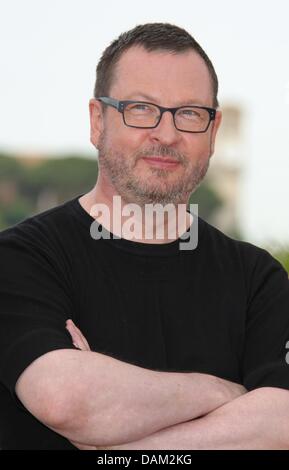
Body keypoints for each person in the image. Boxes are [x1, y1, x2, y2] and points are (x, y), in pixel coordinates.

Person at [0, 22, 289, 451]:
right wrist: (223, 392)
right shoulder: (20, 259)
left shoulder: (257, 279)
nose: (167, 134)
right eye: (140, 108)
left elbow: (280, 421)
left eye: (190, 112)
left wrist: (114, 447)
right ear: (98, 121)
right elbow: (67, 400)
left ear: (213, 132)